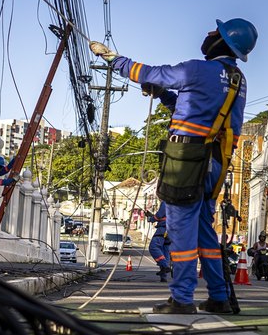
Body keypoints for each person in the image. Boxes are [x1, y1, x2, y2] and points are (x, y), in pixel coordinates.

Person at [90, 18, 257, 314]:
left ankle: (181, 298)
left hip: (186, 161)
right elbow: (196, 111)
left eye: (215, 32)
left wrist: (111, 58)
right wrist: (164, 95)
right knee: (205, 230)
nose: (209, 34)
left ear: (223, 41)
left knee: (180, 233)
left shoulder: (197, 69)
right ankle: (218, 297)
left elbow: (149, 72)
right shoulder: (238, 81)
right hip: (215, 164)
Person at [145, 203, 170, 282]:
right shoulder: (176, 202)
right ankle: (164, 276)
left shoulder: (166, 201)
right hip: (173, 230)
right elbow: (164, 216)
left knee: (154, 247)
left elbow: (159, 215)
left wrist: (151, 219)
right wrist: (152, 216)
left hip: (164, 228)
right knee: (164, 251)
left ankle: (165, 266)